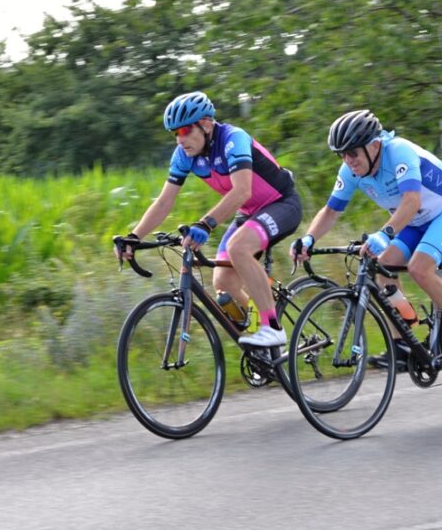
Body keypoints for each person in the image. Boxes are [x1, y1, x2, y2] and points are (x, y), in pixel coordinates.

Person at [290, 109, 442, 373]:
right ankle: (404, 343)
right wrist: (309, 238)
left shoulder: (399, 152)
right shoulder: (351, 171)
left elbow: (411, 201)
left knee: (419, 268)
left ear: (374, 145)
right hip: (415, 221)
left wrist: (385, 234)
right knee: (383, 268)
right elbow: (332, 210)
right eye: (342, 154)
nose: (348, 161)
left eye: (353, 153)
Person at [114, 91, 303, 348]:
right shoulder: (184, 155)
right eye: (175, 133)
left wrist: (206, 223)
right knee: (223, 282)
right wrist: (135, 237)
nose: (180, 139)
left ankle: (273, 328)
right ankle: (266, 342)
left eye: (184, 130)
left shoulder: (233, 139)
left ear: (205, 123)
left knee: (238, 248)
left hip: (281, 203)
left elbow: (242, 191)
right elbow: (164, 202)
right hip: (248, 213)